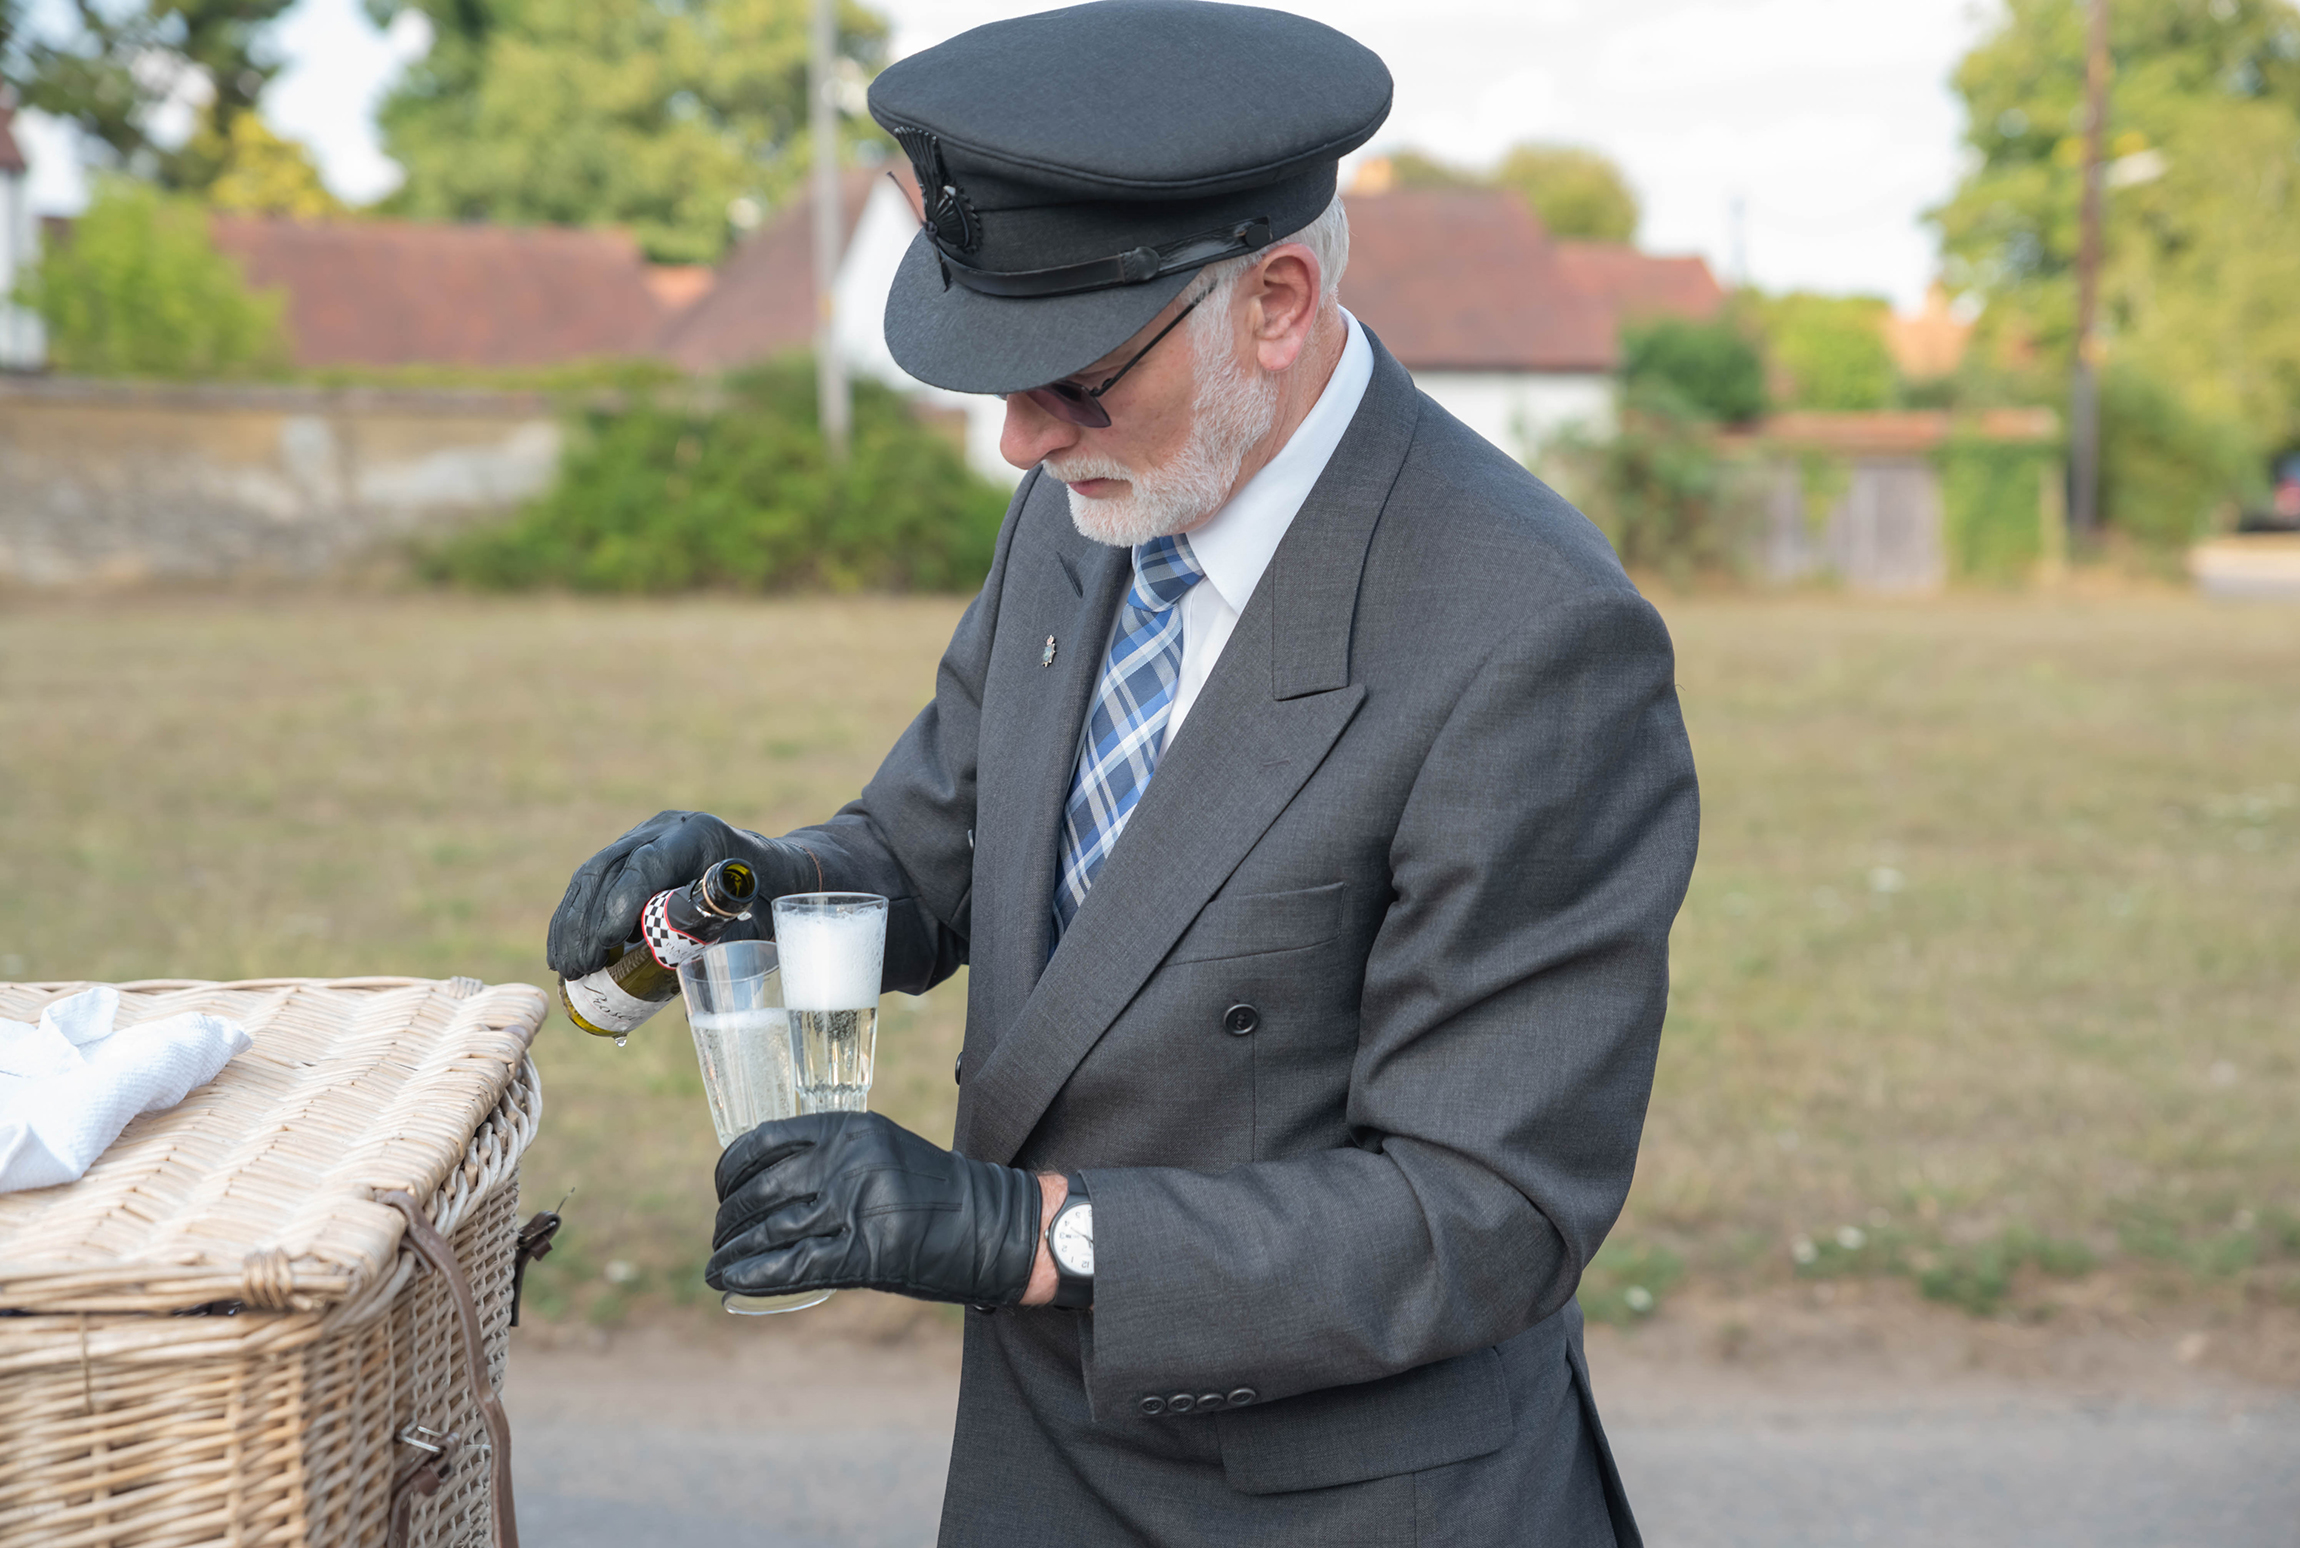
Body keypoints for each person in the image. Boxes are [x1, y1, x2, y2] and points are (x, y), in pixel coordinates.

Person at [546, 2, 1699, 1541]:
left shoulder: (1532, 636)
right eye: (998, 379)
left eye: (1074, 375)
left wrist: (1026, 1232)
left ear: (1275, 302)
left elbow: (1483, 1216)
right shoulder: (1105, 487)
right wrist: (755, 888)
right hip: (1046, 1465)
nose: (1020, 441)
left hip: (1338, 1506)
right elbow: (947, 847)